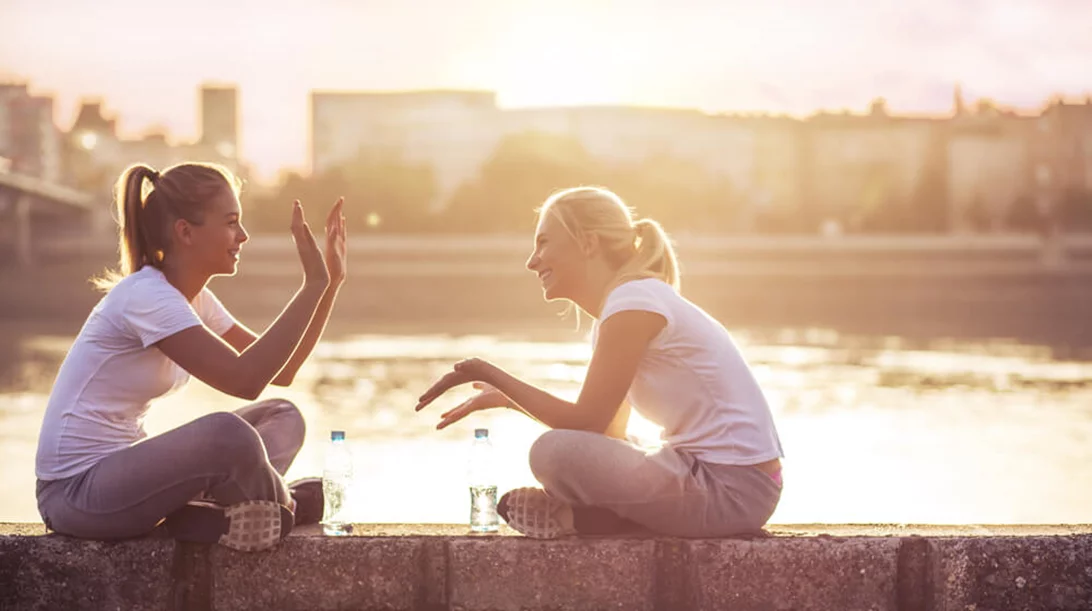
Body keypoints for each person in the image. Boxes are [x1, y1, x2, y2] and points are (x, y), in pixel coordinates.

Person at [416, 186, 783, 539]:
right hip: (724, 483)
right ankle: (600, 519)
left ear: (588, 243)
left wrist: (486, 370)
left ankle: (586, 517)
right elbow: (607, 432)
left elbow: (586, 421)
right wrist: (509, 400)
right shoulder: (623, 307)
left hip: (732, 491)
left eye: (543, 242)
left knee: (552, 452)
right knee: (577, 447)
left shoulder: (634, 302)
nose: (532, 261)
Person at [34, 162, 347, 552]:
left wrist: (328, 285)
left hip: (123, 480)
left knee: (282, 414)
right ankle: (283, 505)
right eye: (231, 222)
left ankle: (223, 512)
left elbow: (281, 373)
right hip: (75, 496)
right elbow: (244, 380)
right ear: (185, 231)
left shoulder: (195, 299)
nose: (243, 236)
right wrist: (312, 284)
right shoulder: (146, 297)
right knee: (228, 435)